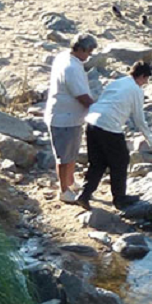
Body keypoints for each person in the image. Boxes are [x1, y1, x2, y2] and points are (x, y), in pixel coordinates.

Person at [78, 61, 152, 211]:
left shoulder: (117, 82)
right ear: (142, 76)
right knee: (121, 162)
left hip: (92, 122)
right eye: (146, 79)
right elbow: (139, 120)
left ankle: (84, 194)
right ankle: (119, 199)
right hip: (109, 126)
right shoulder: (136, 90)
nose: (145, 83)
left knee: (97, 162)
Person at [44, 33, 97, 203]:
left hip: (72, 118)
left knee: (72, 153)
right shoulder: (71, 68)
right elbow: (81, 96)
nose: (89, 56)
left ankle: (71, 181)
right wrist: (99, 108)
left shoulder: (64, 57)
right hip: (63, 118)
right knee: (64, 157)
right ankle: (64, 190)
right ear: (80, 49)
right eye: (88, 52)